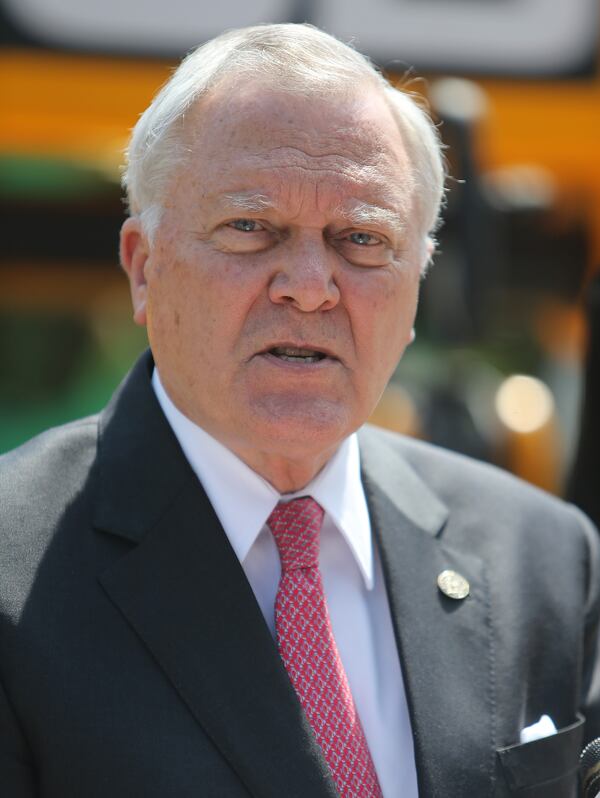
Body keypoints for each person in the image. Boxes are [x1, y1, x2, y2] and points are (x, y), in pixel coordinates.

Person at [1, 23, 599, 798]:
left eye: (362, 238)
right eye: (252, 229)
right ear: (144, 268)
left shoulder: (545, 561)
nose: (311, 285)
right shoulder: (13, 569)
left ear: (416, 289)